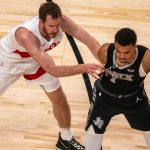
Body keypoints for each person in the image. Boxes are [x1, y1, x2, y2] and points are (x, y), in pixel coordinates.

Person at [0, 0, 104, 150]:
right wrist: (84, 67)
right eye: (51, 26)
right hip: (7, 63)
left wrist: (106, 62)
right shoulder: (26, 35)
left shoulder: (63, 23)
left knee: (60, 100)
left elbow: (89, 40)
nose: (55, 30)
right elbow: (53, 70)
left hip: (34, 63)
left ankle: (65, 139)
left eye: (57, 25)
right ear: (41, 21)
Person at [85, 28, 150, 150]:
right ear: (114, 44)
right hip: (104, 98)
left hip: (134, 99)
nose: (121, 56)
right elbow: (89, 41)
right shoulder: (105, 51)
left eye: (126, 52)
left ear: (135, 46)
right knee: (92, 135)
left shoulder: (146, 59)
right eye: (118, 50)